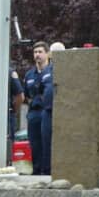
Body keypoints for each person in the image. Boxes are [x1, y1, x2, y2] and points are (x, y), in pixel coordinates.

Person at [23, 42, 52, 175]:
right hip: (34, 112)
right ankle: (36, 170)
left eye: (40, 52)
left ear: (47, 54)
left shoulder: (53, 71)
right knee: (34, 143)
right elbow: (26, 95)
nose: (37, 55)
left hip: (47, 111)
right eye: (35, 52)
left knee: (47, 143)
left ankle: (47, 171)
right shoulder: (29, 75)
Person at [40, 42, 65, 175]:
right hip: (48, 112)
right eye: (54, 52)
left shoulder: (69, 70)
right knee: (46, 143)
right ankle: (47, 173)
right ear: (50, 54)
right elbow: (39, 91)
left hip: (63, 113)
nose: (56, 55)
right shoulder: (45, 71)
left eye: (60, 52)